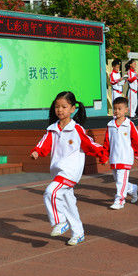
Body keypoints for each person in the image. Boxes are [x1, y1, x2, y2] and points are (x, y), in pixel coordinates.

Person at [32, 91, 107, 246]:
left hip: (70, 172)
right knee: (68, 204)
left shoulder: (77, 129)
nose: (60, 110)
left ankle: (60, 221)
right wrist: (37, 151)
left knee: (50, 192)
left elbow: (89, 144)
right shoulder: (52, 129)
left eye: (64, 107)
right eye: (57, 106)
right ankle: (78, 233)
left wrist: (102, 154)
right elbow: (43, 143)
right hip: (58, 172)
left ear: (72, 109)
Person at [102, 97, 138, 210]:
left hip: (125, 158)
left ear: (126, 110)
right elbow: (106, 142)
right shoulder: (110, 125)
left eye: (120, 109)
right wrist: (105, 156)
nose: (117, 111)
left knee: (120, 181)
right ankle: (133, 188)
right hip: (114, 158)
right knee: (119, 181)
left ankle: (120, 200)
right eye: (115, 109)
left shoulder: (129, 125)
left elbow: (136, 139)